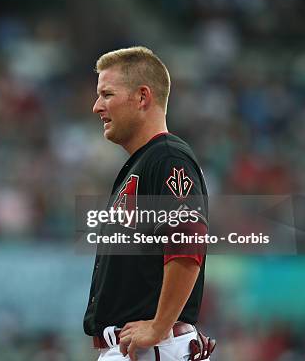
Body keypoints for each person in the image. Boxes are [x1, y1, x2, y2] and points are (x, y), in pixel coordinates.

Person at [84, 47, 215, 361]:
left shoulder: (167, 158)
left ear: (142, 97)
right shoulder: (144, 163)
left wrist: (159, 325)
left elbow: (187, 240)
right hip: (140, 347)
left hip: (152, 347)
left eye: (107, 94)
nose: (96, 106)